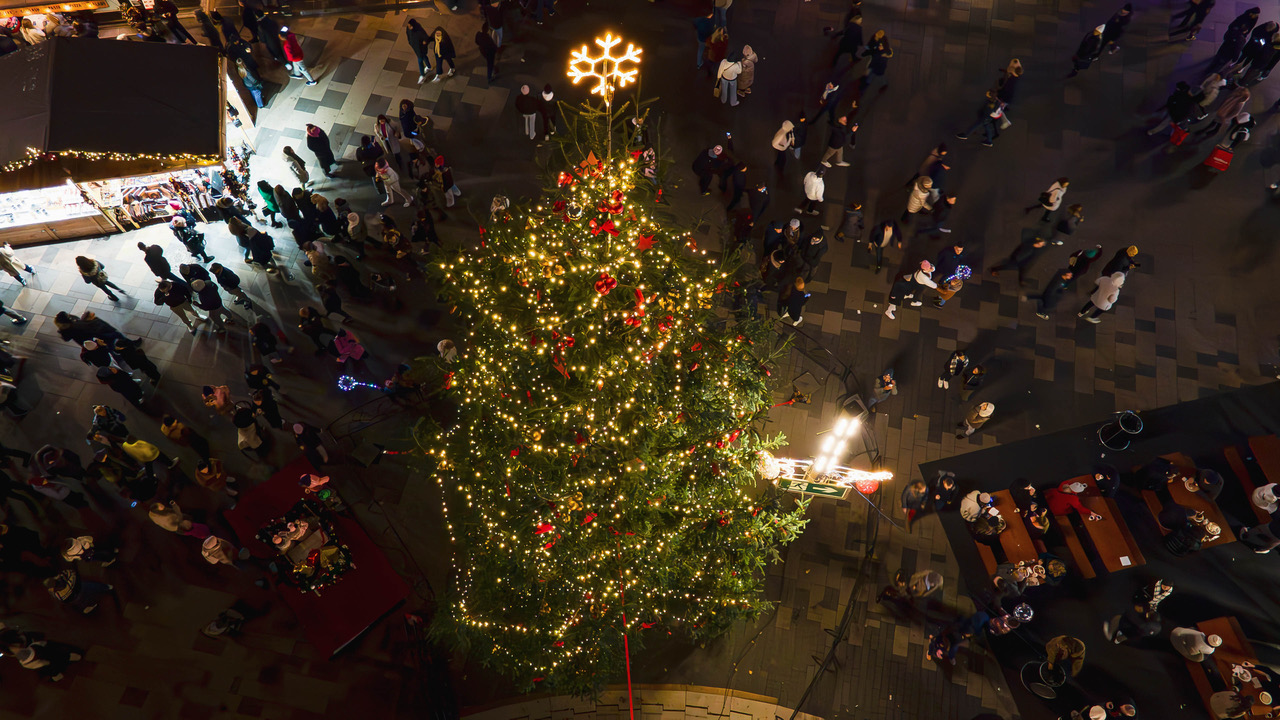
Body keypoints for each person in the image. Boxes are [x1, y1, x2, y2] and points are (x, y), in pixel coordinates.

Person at [406, 18, 432, 83]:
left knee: (420, 60)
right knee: (424, 57)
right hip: (416, 48)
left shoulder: (419, 32)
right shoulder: (409, 29)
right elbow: (408, 35)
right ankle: (428, 66)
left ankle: (422, 75)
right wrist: (410, 42)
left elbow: (426, 38)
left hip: (420, 49)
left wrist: (425, 42)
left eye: (410, 26)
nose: (409, 27)